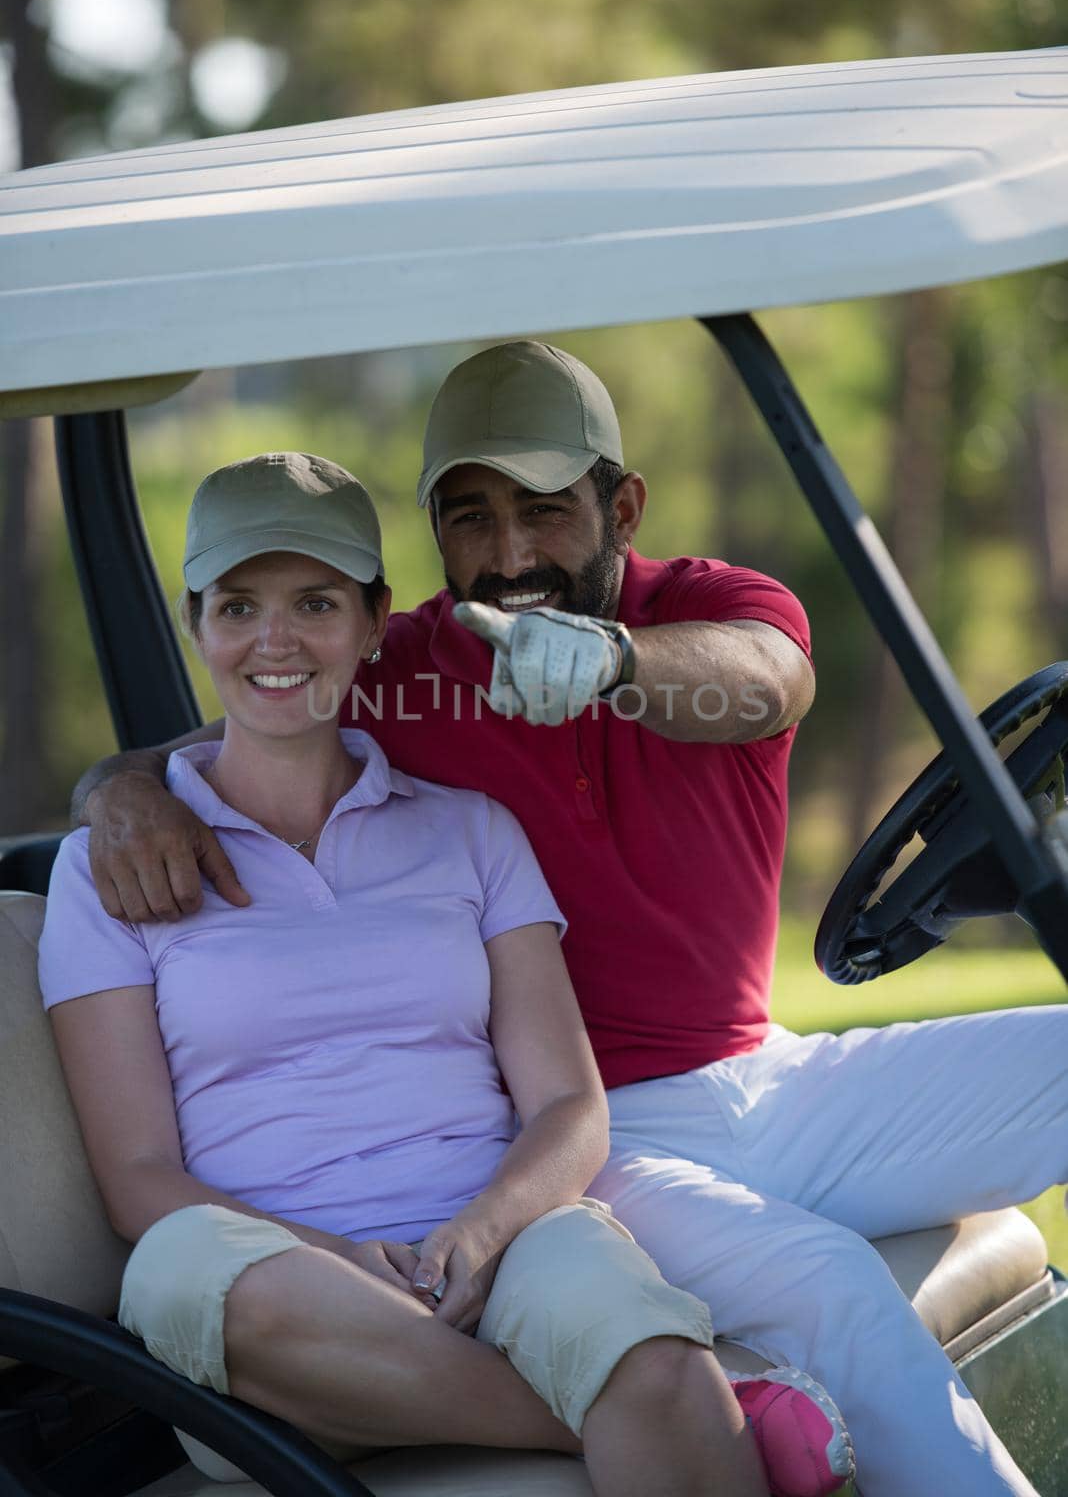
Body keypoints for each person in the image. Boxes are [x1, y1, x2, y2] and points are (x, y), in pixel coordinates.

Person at [74, 343, 1067, 1497]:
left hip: (770, 1076)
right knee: (835, 1289)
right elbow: (247, 721)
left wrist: (609, 665)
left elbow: (760, 680)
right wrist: (116, 787)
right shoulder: (404, 670)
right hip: (603, 1138)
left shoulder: (714, 613)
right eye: (471, 517)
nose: (509, 553)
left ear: (622, 504)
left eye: (544, 509)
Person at [41, 450, 856, 1497]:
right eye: (238, 605)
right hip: (276, 1308)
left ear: (378, 622)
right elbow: (137, 1180)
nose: (275, 641)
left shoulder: (471, 831)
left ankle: (650, 1400)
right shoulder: (111, 863)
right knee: (188, 1266)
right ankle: (644, 1419)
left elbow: (568, 1101)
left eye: (317, 603)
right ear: (197, 621)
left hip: (499, 1248)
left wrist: (476, 1235)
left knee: (642, 1349)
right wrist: (348, 1262)